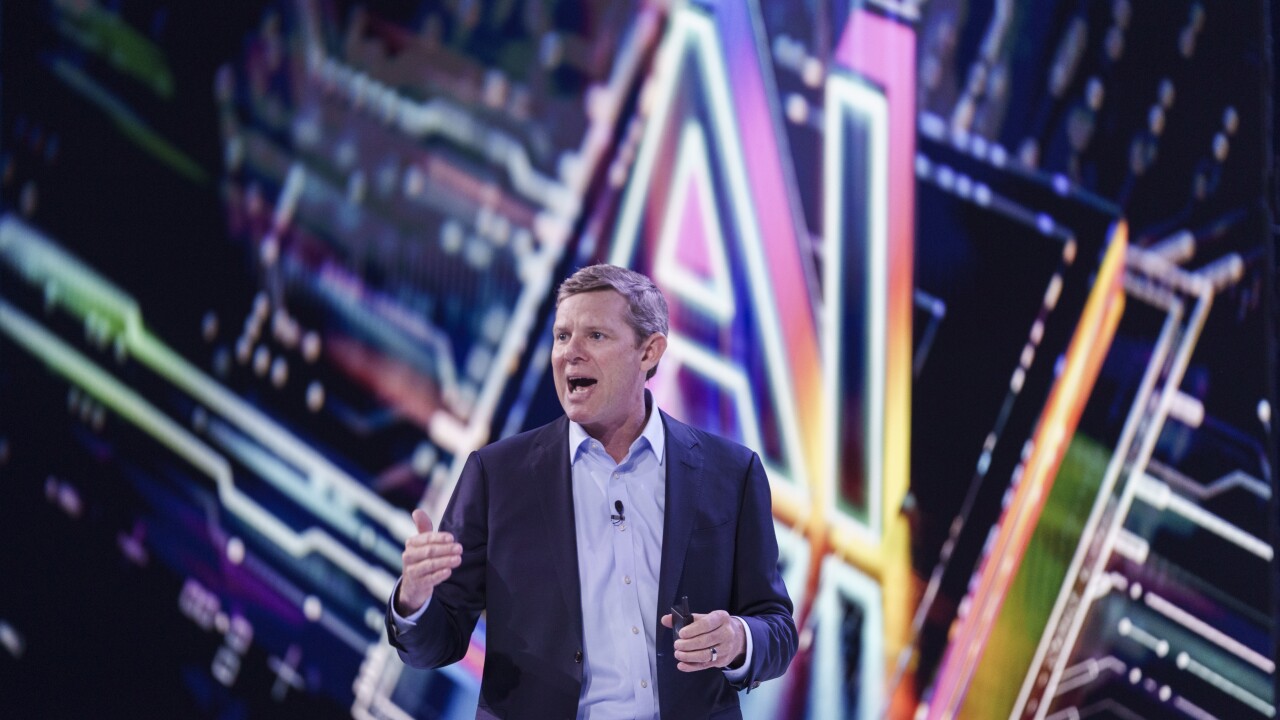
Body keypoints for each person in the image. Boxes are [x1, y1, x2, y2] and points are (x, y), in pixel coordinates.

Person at [387, 264, 796, 719]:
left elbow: (777, 627)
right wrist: (415, 599)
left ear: (649, 351)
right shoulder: (497, 476)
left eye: (595, 336)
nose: (570, 353)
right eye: (562, 336)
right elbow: (436, 643)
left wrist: (738, 638)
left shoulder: (731, 473)